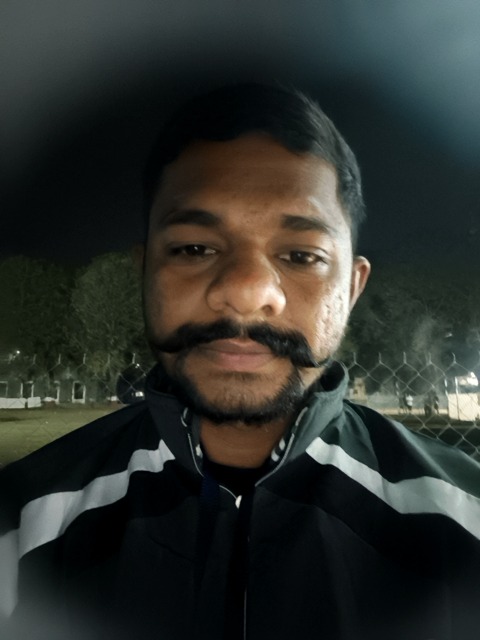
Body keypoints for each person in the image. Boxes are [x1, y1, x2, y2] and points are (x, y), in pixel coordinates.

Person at [1, 83, 479, 640]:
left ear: (351, 288)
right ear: (145, 272)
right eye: (194, 249)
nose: (247, 292)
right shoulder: (21, 527)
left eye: (301, 255)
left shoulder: (462, 519)